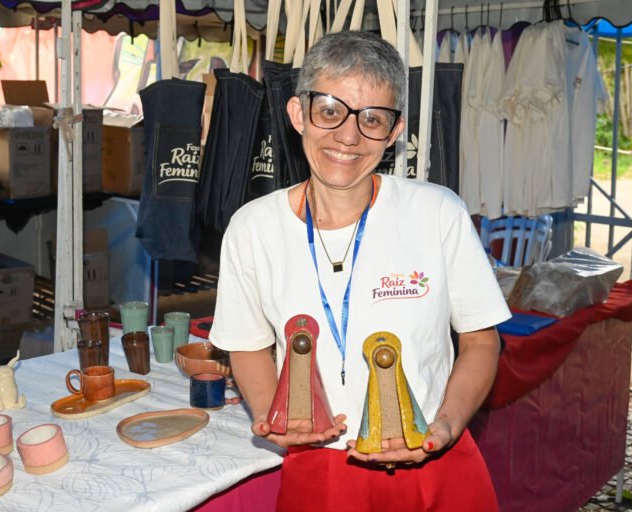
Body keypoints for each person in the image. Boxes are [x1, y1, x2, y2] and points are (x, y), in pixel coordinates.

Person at [209, 30, 511, 512]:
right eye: (330, 110)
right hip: (321, 469)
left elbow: (480, 340)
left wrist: (448, 424)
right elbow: (246, 344)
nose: (348, 136)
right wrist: (276, 416)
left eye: (372, 118)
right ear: (298, 114)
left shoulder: (437, 213)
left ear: (394, 132)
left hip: (433, 461)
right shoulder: (253, 228)